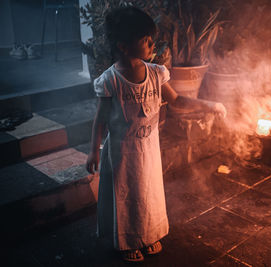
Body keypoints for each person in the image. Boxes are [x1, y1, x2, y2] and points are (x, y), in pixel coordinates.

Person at [85, 7, 226, 263]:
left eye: (152, 38)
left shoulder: (155, 73)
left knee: (147, 192)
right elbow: (100, 120)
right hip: (122, 154)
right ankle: (127, 241)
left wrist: (209, 105)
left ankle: (148, 235)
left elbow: (177, 100)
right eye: (145, 40)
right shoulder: (110, 80)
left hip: (147, 151)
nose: (152, 44)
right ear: (124, 46)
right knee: (127, 194)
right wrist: (94, 150)